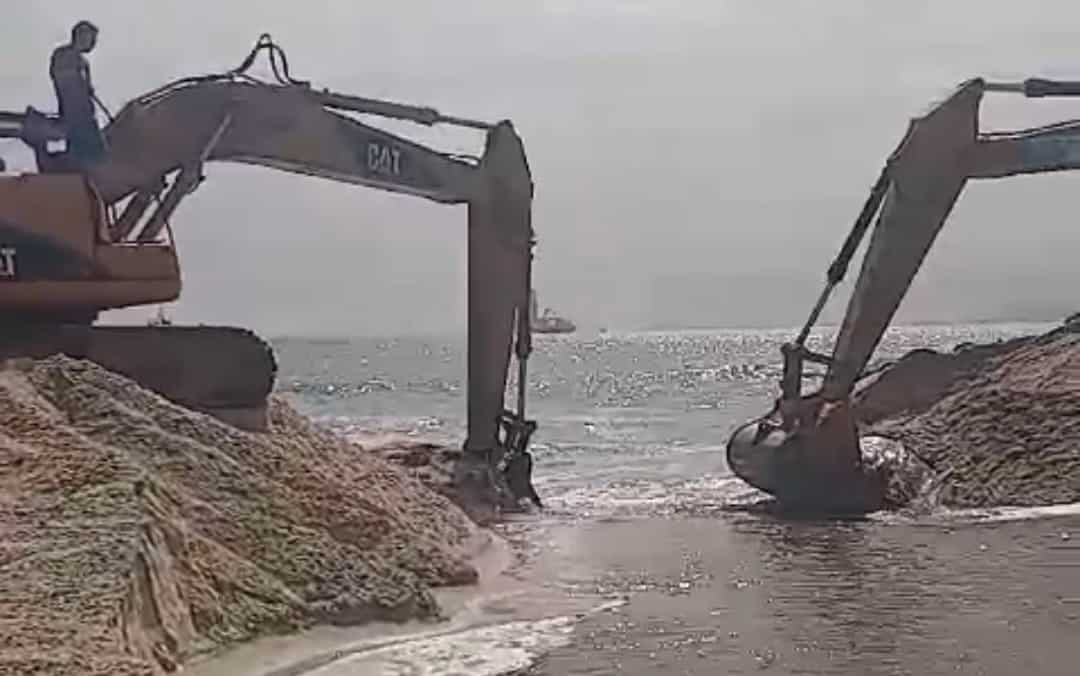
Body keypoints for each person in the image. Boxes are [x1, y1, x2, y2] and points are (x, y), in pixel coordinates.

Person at [49, 20, 106, 167]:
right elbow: (63, 80)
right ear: (81, 36)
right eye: (91, 39)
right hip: (74, 116)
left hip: (85, 115)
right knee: (88, 153)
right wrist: (81, 84)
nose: (93, 43)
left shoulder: (83, 62)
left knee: (99, 152)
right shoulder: (62, 55)